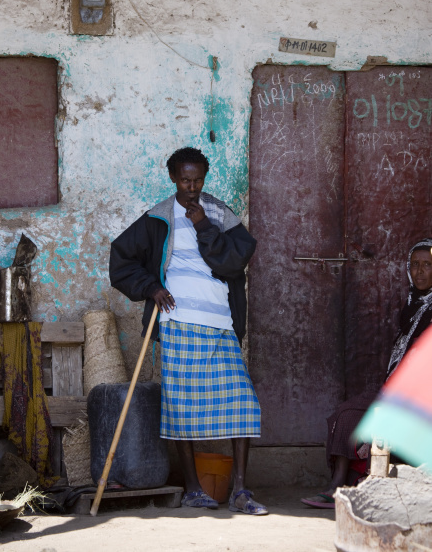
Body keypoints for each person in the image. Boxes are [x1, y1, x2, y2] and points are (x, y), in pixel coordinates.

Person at [109, 146, 267, 515]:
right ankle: (194, 488)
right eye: (184, 179)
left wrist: (202, 225)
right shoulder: (157, 219)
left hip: (221, 324)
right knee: (181, 408)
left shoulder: (218, 214)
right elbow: (121, 259)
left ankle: (240, 491)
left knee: (242, 402)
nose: (191, 187)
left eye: (197, 180)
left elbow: (233, 262)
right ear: (173, 178)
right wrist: (151, 287)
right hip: (178, 323)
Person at [301, 238, 432, 509]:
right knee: (347, 414)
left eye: (427, 265)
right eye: (415, 265)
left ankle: (358, 486)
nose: (420, 272)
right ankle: (337, 485)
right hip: (396, 390)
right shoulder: (412, 306)